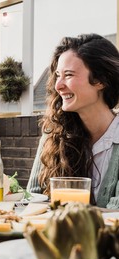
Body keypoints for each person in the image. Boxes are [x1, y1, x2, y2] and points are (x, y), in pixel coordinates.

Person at [27, 33, 119, 209]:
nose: (58, 85)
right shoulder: (54, 135)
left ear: (100, 80)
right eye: (57, 75)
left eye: (68, 75)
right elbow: (33, 200)